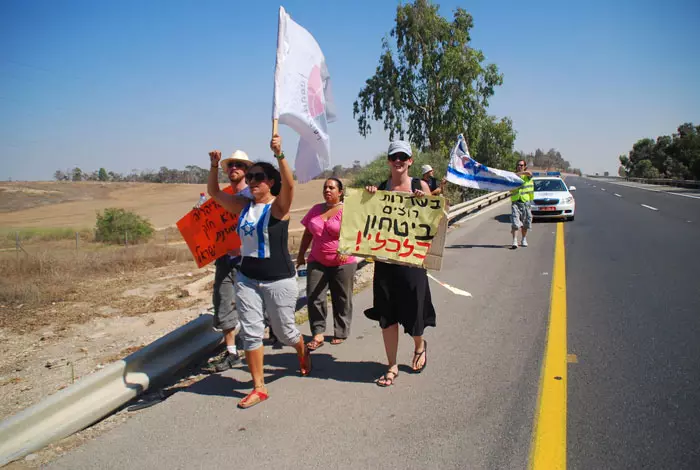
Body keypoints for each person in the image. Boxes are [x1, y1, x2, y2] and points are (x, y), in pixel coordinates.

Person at [207, 134, 310, 409]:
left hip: (279, 280)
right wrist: (214, 166)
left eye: (258, 177)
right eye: (249, 177)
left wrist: (280, 154)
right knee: (252, 333)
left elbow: (290, 184)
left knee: (284, 331)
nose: (251, 182)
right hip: (247, 279)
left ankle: (300, 346)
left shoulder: (279, 207)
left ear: (270, 182)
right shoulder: (242, 206)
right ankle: (259, 387)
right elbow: (216, 194)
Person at [364, 141, 436, 387]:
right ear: (388, 161)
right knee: (387, 314)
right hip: (385, 262)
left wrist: (423, 201)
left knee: (414, 310)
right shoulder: (382, 188)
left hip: (413, 262)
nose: (398, 160)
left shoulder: (420, 185)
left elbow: (434, 221)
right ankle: (391, 364)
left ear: (410, 161)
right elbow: (367, 219)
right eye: (394, 156)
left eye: (403, 157)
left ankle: (419, 344)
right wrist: (369, 198)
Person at [296, 177, 357, 350]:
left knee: (342, 297)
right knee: (315, 296)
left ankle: (341, 331)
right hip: (317, 260)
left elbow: (357, 233)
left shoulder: (348, 210)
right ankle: (318, 332)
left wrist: (348, 250)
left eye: (331, 187)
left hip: (343, 263)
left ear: (340, 192)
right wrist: (301, 255)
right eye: (325, 187)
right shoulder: (315, 210)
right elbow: (308, 234)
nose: (327, 190)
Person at [207, 150, 253, 372]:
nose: (234, 168)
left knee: (250, 305)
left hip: (248, 260)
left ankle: (257, 341)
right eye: (231, 165)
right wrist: (214, 166)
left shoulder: (252, 196)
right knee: (223, 302)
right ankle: (232, 352)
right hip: (225, 259)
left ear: (246, 170)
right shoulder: (221, 198)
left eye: (238, 164)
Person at [510, 159, 534, 249]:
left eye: (521, 165)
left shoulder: (527, 176)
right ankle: (514, 240)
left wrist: (519, 174)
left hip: (526, 202)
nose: (519, 167)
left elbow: (529, 174)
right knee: (515, 222)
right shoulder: (513, 177)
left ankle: (523, 239)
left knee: (525, 222)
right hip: (516, 202)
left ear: (524, 167)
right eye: (518, 165)